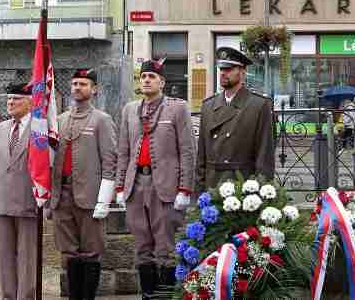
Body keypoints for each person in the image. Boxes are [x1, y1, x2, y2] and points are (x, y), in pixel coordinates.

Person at [116, 59, 195, 300]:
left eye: (152, 77)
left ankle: (165, 296)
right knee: (142, 246)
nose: (147, 80)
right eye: (144, 77)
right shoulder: (130, 109)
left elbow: (188, 150)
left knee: (165, 248)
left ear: (162, 82)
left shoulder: (177, 108)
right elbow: (123, 150)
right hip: (136, 184)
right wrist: (120, 186)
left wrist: (185, 189)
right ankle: (148, 296)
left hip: (167, 186)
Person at [50, 70, 117, 300]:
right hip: (63, 194)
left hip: (89, 196)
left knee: (90, 252)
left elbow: (110, 160)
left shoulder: (102, 120)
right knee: (69, 252)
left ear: (94, 89)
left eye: (83, 84)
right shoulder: (60, 120)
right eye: (75, 83)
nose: (78, 87)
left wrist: (104, 199)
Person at [0, 82, 38, 300]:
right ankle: (8, 296)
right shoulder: (0, 129)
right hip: (3, 202)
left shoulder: (39, 129)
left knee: (26, 255)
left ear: (30, 102)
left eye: (16, 99)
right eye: (9, 99)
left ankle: (26, 296)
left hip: (28, 201)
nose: (10, 103)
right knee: (5, 254)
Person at [197, 47, 274, 191]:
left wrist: (261, 191)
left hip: (243, 185)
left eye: (229, 69)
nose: (223, 73)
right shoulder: (208, 106)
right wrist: (200, 191)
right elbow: (201, 155)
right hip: (212, 185)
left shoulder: (259, 105)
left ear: (243, 72)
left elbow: (265, 155)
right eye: (221, 69)